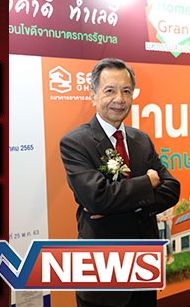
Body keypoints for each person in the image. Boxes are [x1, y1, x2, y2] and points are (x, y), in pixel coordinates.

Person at [59, 58, 179, 307]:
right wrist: (148, 182)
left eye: (126, 91)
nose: (119, 99)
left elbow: (172, 189)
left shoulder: (141, 139)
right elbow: (97, 198)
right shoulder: (75, 143)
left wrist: (119, 204)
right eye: (109, 91)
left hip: (144, 266)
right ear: (93, 95)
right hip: (103, 273)